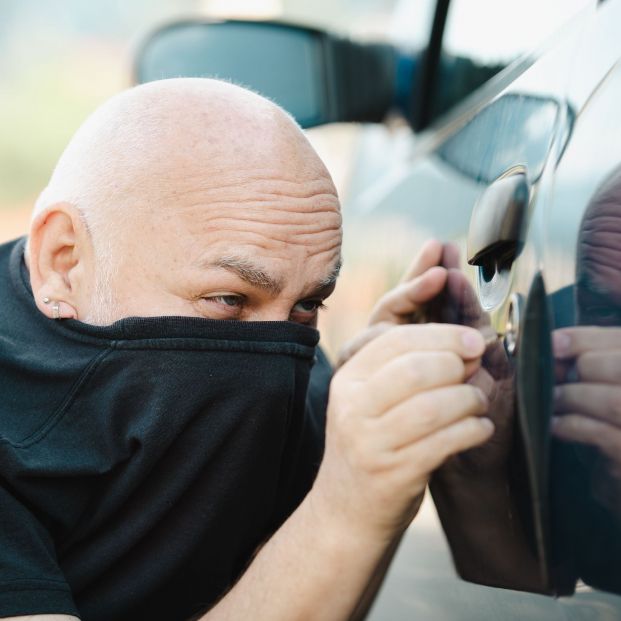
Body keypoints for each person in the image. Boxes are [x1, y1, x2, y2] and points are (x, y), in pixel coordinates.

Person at [0, 78, 494, 621]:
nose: (278, 342)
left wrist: (363, 451)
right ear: (64, 260)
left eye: (309, 306)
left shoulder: (277, 352)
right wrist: (345, 504)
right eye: (228, 299)